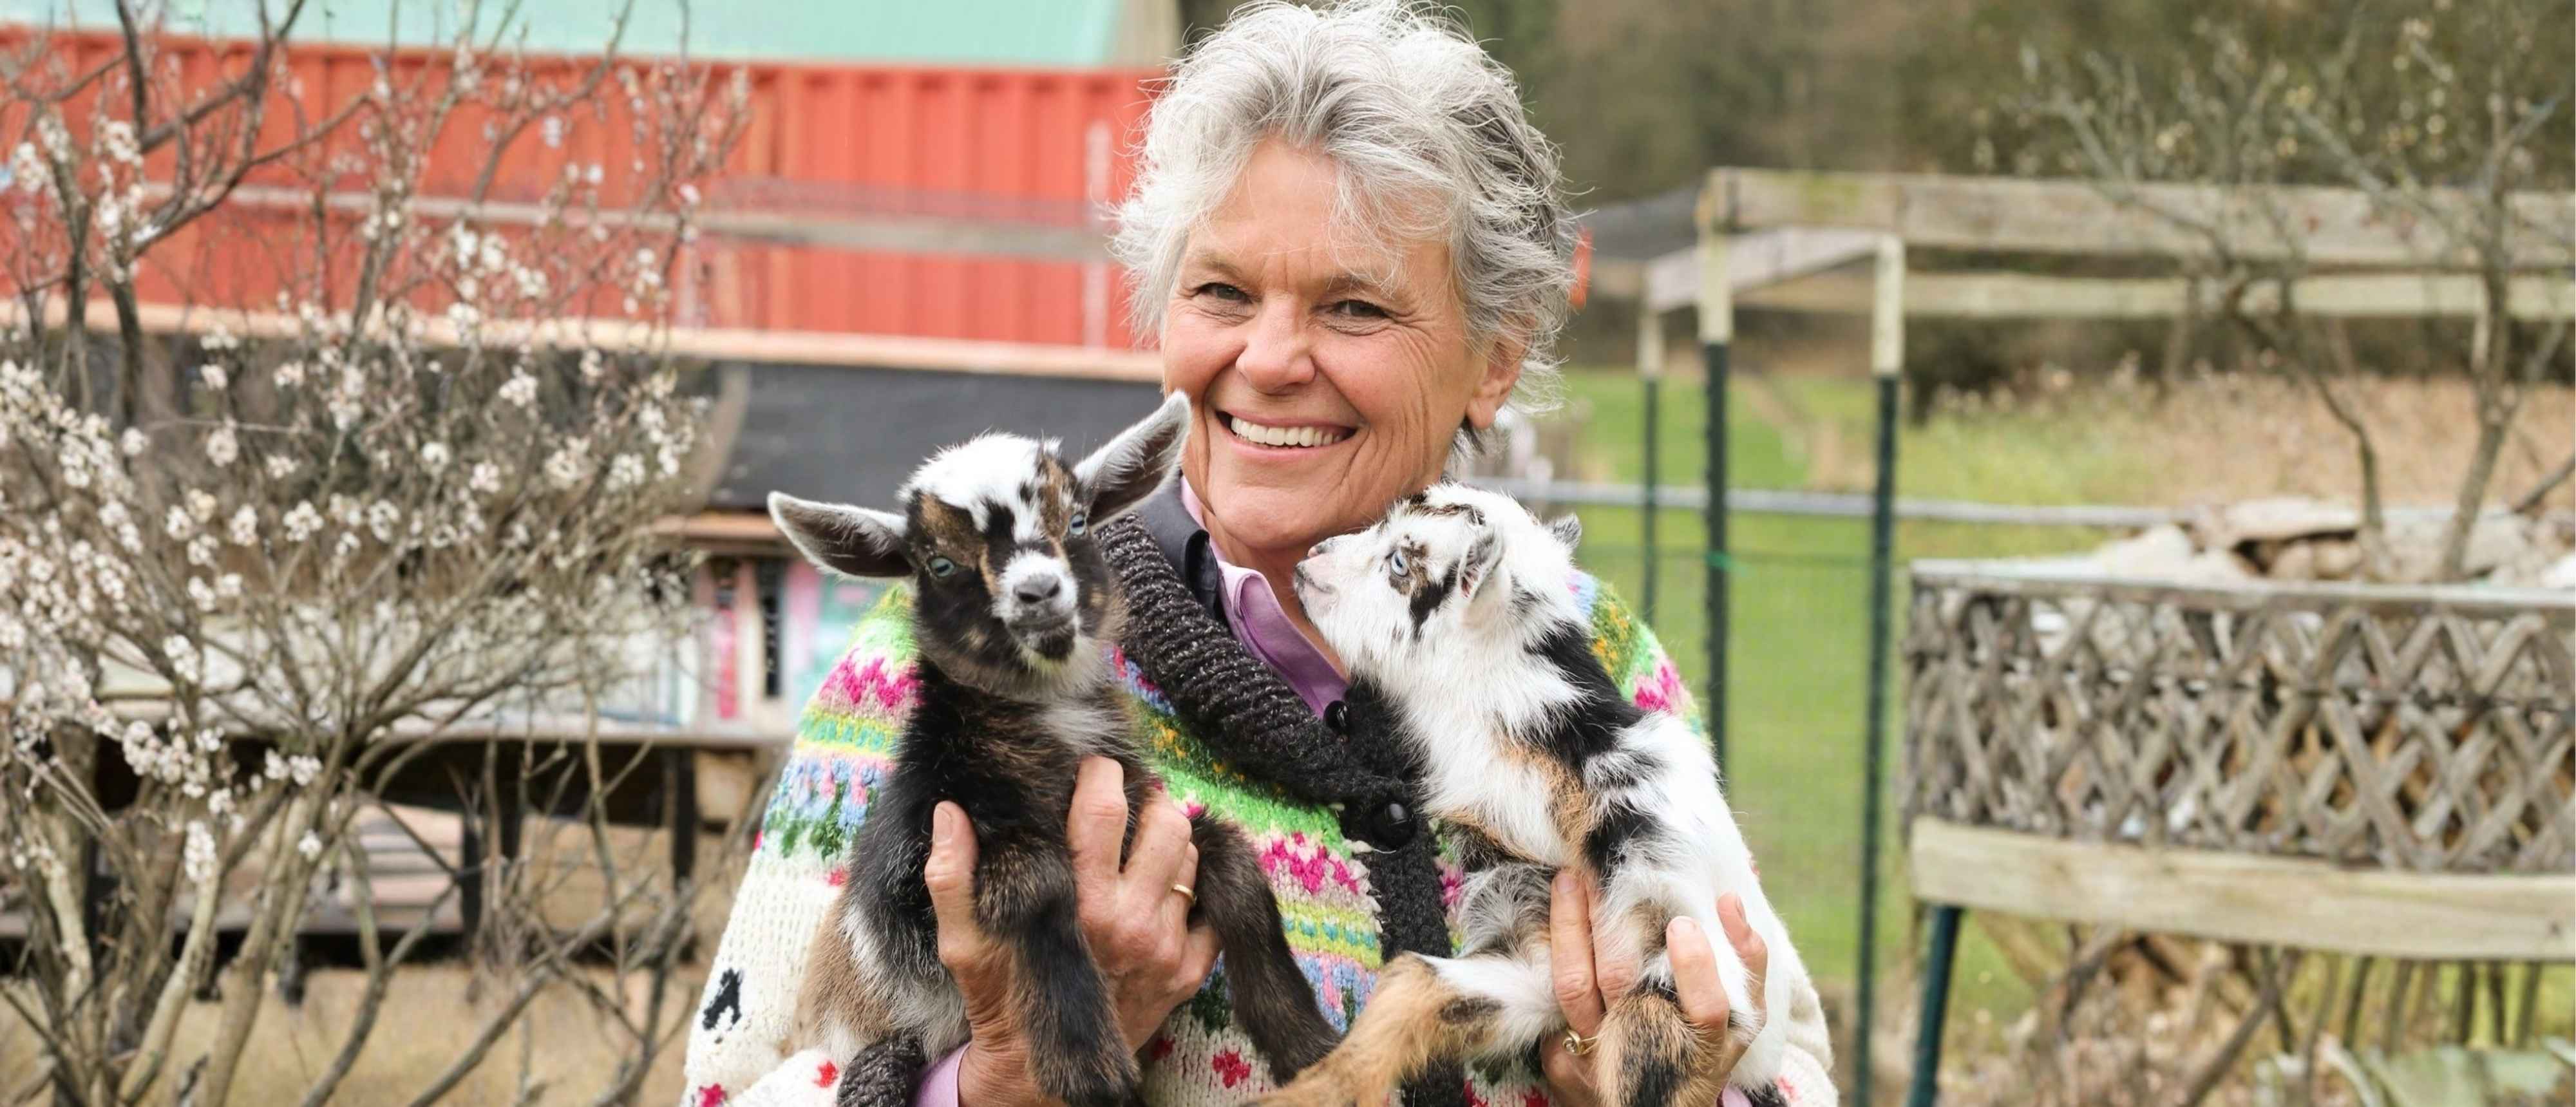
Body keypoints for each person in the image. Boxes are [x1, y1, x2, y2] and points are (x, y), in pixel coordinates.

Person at [681, 3, 1838, 1106]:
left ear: (1493, 360)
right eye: (1222, 291)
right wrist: (994, 1084)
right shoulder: (953, 672)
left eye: (1355, 309)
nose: (1271, 359)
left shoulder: (1591, 662)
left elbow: (1788, 1062)